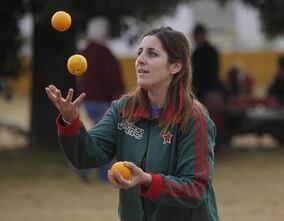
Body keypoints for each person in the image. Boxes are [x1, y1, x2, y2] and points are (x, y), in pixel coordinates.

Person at [45, 27, 219, 221]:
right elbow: (87, 156)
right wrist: (70, 120)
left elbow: (195, 188)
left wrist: (147, 180)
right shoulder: (123, 109)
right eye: (139, 52)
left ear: (175, 66)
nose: (140, 60)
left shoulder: (194, 117)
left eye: (152, 54)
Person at [77, 17, 125, 183]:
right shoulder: (104, 53)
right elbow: (112, 79)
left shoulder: (85, 51)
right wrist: (121, 96)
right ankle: (95, 171)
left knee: (98, 135)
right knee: (105, 138)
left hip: (88, 99)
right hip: (103, 100)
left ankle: (84, 166)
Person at [191, 23, 222, 102]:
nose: (197, 37)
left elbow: (214, 71)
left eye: (198, 34)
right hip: (198, 89)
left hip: (209, 90)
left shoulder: (211, 51)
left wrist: (211, 89)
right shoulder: (195, 53)